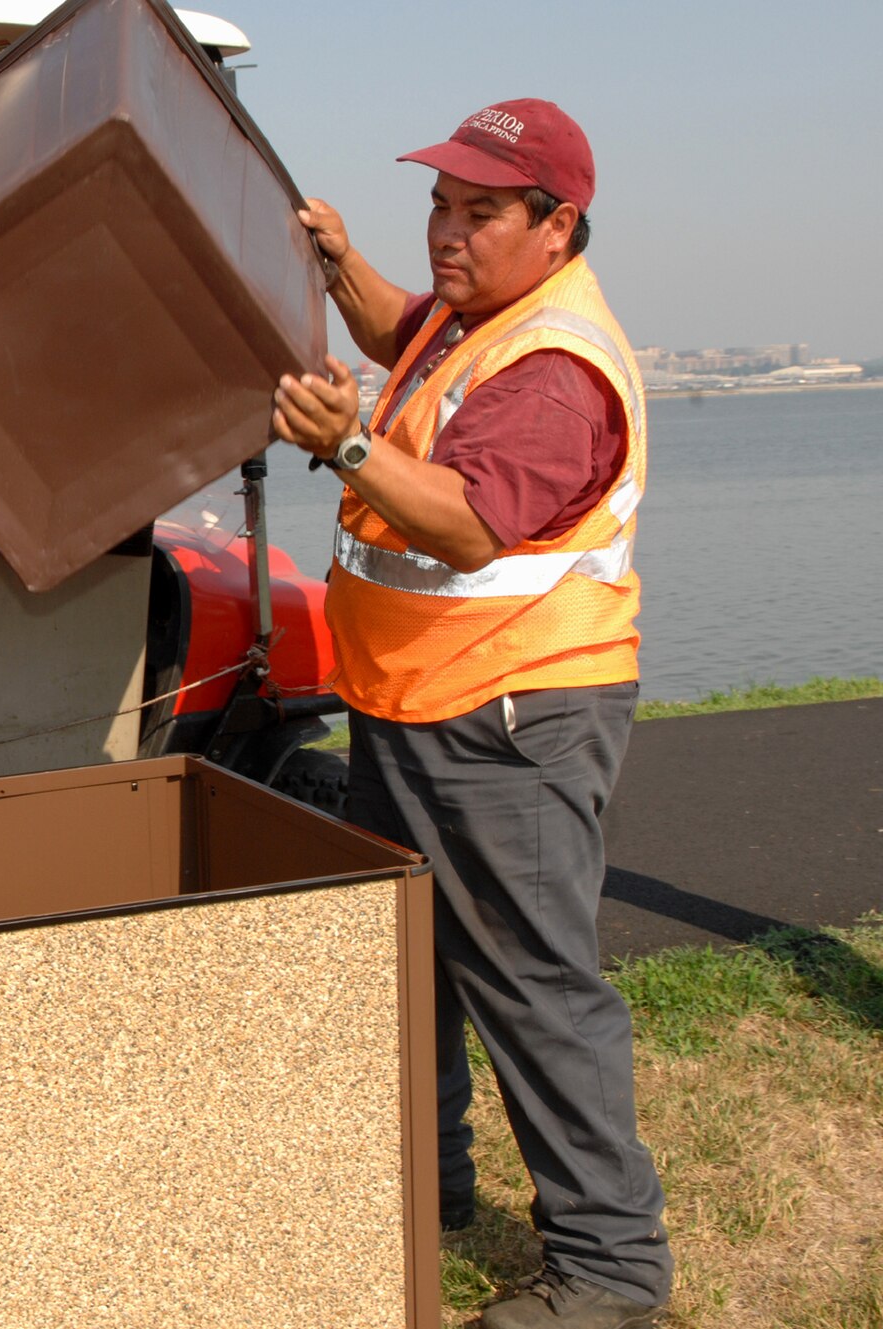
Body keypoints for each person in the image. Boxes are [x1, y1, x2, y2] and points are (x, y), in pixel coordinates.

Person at [268, 100, 673, 1328]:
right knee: (416, 965)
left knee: (530, 988)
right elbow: (403, 326)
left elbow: (465, 519)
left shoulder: (553, 370)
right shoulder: (474, 313)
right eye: (438, 203)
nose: (446, 230)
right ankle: (429, 1188)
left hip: (510, 717)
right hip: (414, 700)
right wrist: (338, 260)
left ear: (555, 226)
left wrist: (344, 449)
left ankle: (607, 1272)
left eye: (478, 211)